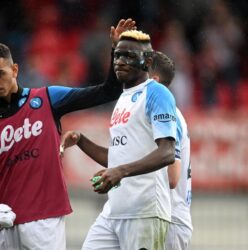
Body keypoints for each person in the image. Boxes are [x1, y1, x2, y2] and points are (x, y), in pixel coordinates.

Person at [0, 19, 136, 250]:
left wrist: (117, 51)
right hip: (5, 222)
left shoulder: (47, 98)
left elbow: (108, 91)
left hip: (45, 218)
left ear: (14, 70)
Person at [60, 30, 178, 250]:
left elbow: (167, 152)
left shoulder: (156, 93)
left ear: (148, 61)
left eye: (129, 56)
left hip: (144, 211)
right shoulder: (123, 99)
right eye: (117, 56)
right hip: (114, 210)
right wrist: (81, 141)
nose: (120, 61)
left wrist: (120, 171)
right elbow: (117, 158)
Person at [148, 51, 193, 250]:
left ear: (154, 80)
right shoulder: (158, 113)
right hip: (160, 216)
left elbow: (172, 177)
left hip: (170, 219)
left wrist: (125, 172)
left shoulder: (168, 115)